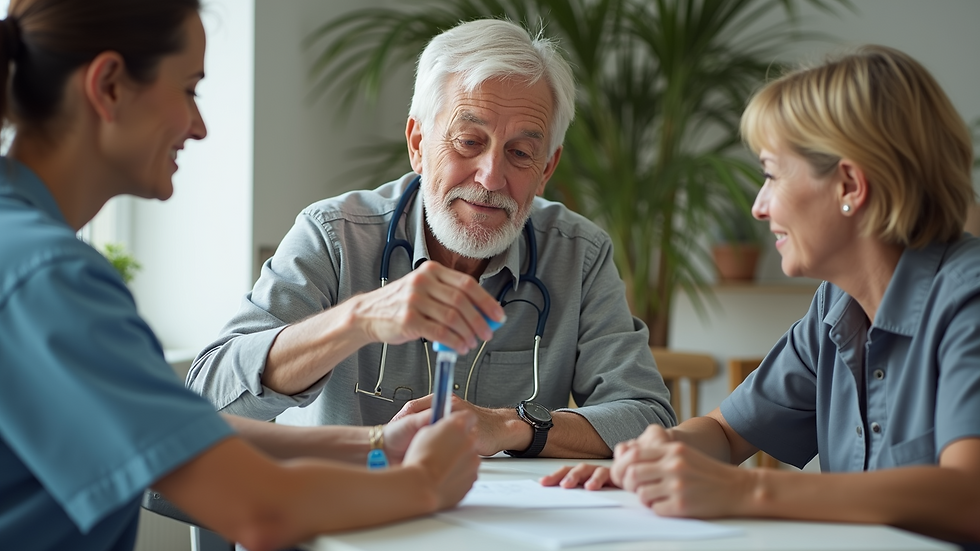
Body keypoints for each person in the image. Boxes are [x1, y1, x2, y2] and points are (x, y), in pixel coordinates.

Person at [0, 2, 481, 550]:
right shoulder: (48, 279)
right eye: (189, 90)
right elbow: (259, 511)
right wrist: (423, 484)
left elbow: (176, 431)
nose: (199, 127)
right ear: (109, 85)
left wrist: (375, 442)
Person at [542, 45, 980, 545]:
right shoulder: (835, 308)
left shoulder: (969, 300)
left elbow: (970, 497)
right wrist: (651, 460)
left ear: (850, 186)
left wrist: (747, 491)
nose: (758, 206)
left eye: (771, 174)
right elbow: (727, 433)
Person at [186, 18, 675, 459]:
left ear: (547, 169)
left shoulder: (579, 255)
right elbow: (208, 395)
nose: (490, 177)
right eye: (469, 142)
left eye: (521, 153)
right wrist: (357, 320)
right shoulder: (334, 236)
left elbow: (647, 418)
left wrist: (512, 425)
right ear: (418, 144)